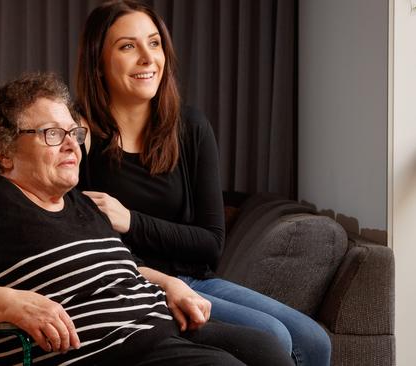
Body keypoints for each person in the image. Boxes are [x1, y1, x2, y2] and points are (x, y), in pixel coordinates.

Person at [0, 72, 293, 366]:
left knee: (270, 349)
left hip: (154, 326)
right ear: (5, 152)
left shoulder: (80, 203)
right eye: (53, 133)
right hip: (106, 351)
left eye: (74, 131)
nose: (72, 143)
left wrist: (171, 283)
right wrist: (9, 303)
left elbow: (126, 266)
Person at [75, 1, 332, 365]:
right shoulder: (76, 140)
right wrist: (165, 281)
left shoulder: (190, 128)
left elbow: (210, 244)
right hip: (132, 289)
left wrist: (130, 220)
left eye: (155, 43)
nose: (149, 58)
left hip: (196, 278)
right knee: (272, 337)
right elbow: (86, 251)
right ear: (97, 63)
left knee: (314, 340)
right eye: (128, 46)